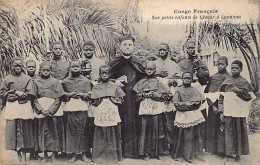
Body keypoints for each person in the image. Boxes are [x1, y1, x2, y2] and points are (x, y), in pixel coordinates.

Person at [108, 34, 145, 158]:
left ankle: (133, 152)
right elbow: (105, 79)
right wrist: (115, 82)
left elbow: (144, 79)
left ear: (134, 47)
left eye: (130, 44)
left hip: (134, 98)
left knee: (134, 123)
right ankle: (119, 152)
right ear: (120, 47)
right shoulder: (113, 62)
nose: (127, 47)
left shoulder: (138, 62)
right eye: (125, 44)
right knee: (119, 122)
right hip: (118, 97)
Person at [133, 61, 172, 161]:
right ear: (145, 70)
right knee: (145, 130)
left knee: (156, 128)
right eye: (147, 69)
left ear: (155, 70)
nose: (149, 71)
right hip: (145, 108)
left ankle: (155, 152)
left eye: (152, 69)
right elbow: (136, 97)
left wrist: (156, 95)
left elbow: (165, 96)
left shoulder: (159, 82)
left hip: (156, 108)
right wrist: (143, 95)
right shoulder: (141, 82)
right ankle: (145, 152)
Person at [0, 57, 36, 163]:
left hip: (24, 107)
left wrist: (20, 96)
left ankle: (24, 155)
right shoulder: (7, 79)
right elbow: (2, 93)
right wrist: (14, 92)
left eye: (20, 65)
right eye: (16, 65)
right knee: (14, 131)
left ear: (22, 66)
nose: (18, 67)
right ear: (12, 66)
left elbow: (31, 93)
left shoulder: (27, 79)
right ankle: (18, 155)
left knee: (25, 130)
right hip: (12, 108)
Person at [218, 60, 254, 163]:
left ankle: (238, 155)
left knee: (239, 133)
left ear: (241, 69)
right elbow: (220, 98)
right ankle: (228, 155)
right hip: (228, 112)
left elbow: (249, 97)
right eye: (232, 68)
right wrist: (221, 111)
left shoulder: (244, 82)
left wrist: (239, 91)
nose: (234, 70)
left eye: (236, 68)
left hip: (239, 112)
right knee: (228, 133)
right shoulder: (226, 81)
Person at [91, 65, 125, 163]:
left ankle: (113, 156)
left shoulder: (115, 86)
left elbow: (121, 100)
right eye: (102, 73)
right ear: (100, 74)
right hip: (101, 111)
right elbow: (93, 101)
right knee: (100, 133)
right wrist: (99, 98)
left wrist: (114, 99)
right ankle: (99, 157)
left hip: (112, 111)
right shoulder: (96, 87)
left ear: (110, 74)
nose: (104, 75)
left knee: (113, 132)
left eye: (106, 73)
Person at [32, 61, 65, 163]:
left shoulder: (55, 82)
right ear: (40, 71)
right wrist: (41, 110)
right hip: (41, 108)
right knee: (44, 133)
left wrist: (51, 110)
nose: (46, 72)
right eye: (43, 70)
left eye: (48, 70)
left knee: (54, 132)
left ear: (51, 71)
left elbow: (59, 98)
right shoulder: (35, 82)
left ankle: (54, 155)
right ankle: (45, 155)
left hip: (53, 110)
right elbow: (33, 98)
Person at [170, 71, 206, 163]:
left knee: (192, 135)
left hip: (192, 115)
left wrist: (189, 105)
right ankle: (179, 154)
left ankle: (191, 155)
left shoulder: (194, 90)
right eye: (185, 78)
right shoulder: (178, 89)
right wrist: (187, 104)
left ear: (191, 79)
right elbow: (176, 104)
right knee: (181, 135)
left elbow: (198, 103)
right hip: (182, 115)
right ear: (182, 79)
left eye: (189, 78)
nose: (187, 79)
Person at [61, 60, 92, 163]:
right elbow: (61, 95)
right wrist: (69, 95)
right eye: (73, 66)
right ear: (69, 68)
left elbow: (90, 95)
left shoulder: (86, 81)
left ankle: (83, 154)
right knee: (71, 131)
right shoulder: (65, 81)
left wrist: (83, 95)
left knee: (83, 130)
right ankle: (73, 154)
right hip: (70, 108)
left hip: (82, 107)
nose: (75, 68)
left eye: (77, 66)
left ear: (80, 68)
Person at [80, 40, 106, 152]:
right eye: (86, 49)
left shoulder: (100, 62)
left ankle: (96, 148)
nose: (88, 51)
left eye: (90, 49)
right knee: (85, 120)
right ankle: (85, 148)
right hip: (83, 92)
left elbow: (104, 76)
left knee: (95, 119)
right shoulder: (78, 62)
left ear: (94, 50)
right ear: (82, 50)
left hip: (96, 91)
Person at [204, 56, 231, 155]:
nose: (220, 66)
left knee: (223, 126)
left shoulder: (230, 77)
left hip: (225, 105)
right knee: (212, 125)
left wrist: (222, 108)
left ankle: (223, 150)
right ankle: (212, 149)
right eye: (218, 64)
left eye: (222, 64)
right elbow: (207, 93)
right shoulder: (213, 77)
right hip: (213, 105)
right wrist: (212, 106)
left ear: (226, 64)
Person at [25, 59, 41, 160]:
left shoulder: (38, 79)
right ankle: (30, 153)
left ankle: (36, 152)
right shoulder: (24, 78)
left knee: (37, 128)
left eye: (33, 67)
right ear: (25, 68)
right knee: (29, 129)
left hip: (37, 105)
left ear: (36, 68)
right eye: (29, 67)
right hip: (26, 105)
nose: (31, 69)